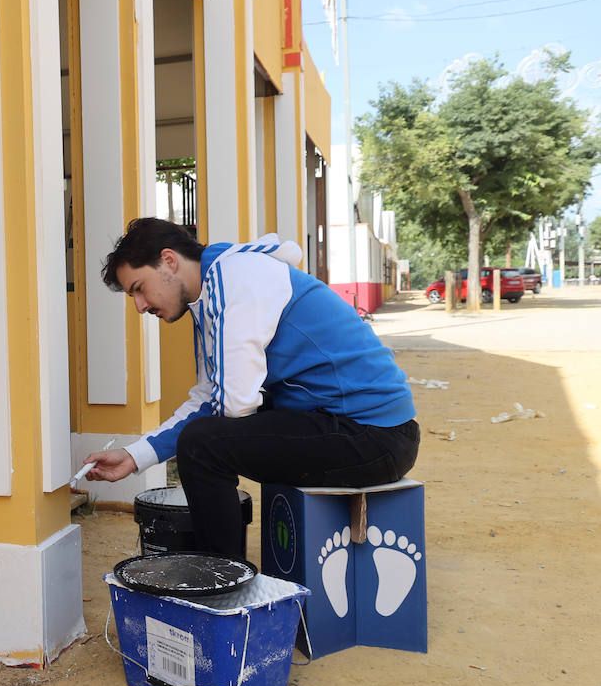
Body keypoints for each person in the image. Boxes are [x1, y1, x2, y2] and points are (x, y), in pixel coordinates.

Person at [82, 217, 419, 559]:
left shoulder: (236, 279)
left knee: (202, 444)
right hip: (354, 427)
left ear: (169, 260)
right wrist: (134, 455)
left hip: (374, 436)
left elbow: (232, 405)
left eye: (139, 288)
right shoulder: (214, 290)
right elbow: (209, 396)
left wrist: (188, 437)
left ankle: (222, 578)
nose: (139, 306)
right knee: (206, 436)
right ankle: (222, 568)